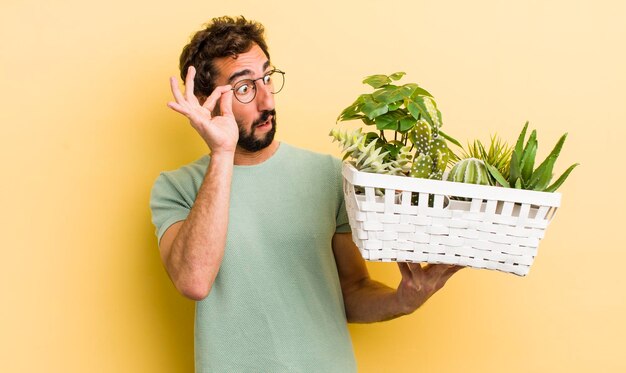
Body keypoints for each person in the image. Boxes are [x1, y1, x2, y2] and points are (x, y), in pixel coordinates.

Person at [150, 16, 463, 372]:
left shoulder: (329, 176)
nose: (267, 100)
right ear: (207, 101)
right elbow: (194, 281)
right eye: (244, 88)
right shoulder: (175, 188)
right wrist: (222, 152)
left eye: (267, 78)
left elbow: (352, 290)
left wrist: (402, 300)